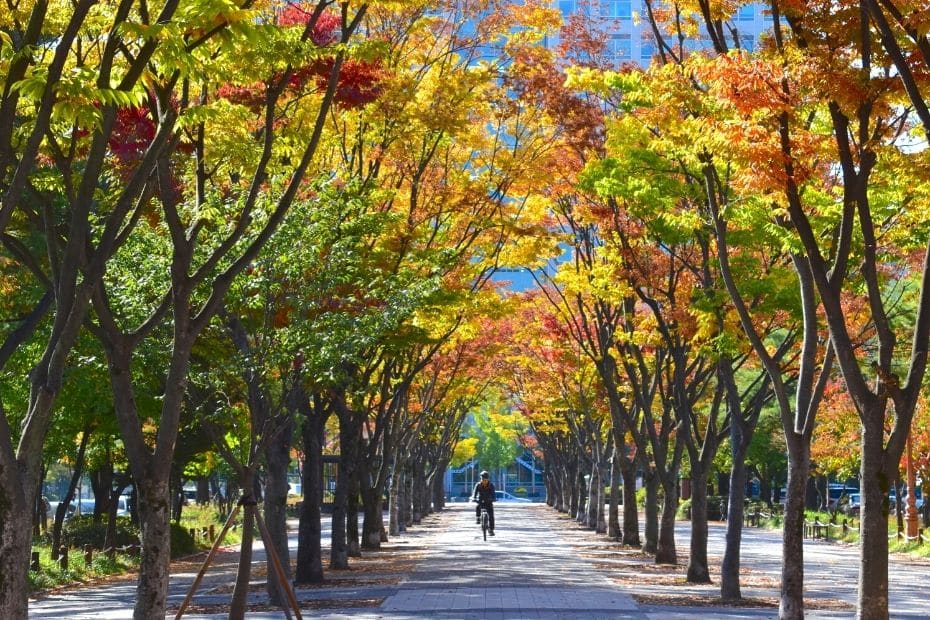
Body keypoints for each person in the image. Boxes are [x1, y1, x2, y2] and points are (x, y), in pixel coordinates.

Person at [472, 470, 495, 535]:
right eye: (483, 479)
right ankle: (478, 517)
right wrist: (474, 498)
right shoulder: (478, 485)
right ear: (481, 479)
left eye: (486, 479)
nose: (484, 481)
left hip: (489, 501)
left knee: (491, 516)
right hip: (480, 500)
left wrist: (494, 499)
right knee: (478, 506)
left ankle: (491, 529)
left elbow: (493, 493)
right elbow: (474, 493)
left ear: (488, 479)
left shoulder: (491, 485)